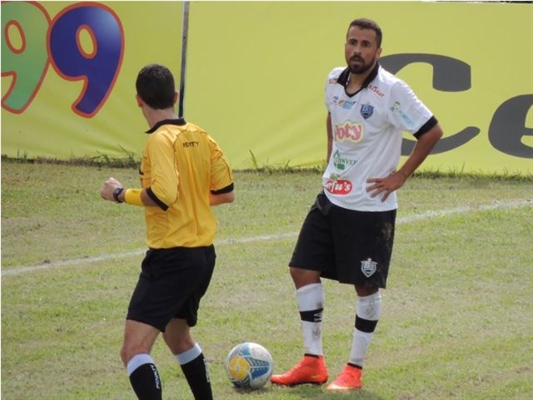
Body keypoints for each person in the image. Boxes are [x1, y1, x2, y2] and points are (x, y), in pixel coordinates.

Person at [270, 18, 443, 392]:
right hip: (331, 197)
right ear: (344, 45)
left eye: (366, 44)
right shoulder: (334, 80)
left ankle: (354, 369)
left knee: (365, 287)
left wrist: (400, 176)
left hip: (369, 207)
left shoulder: (392, 90)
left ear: (378, 51)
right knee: (302, 268)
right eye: (352, 42)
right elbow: (332, 118)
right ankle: (313, 361)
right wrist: (331, 160)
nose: (357, 50)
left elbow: (431, 131)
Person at [100, 63, 235, 400]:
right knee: (178, 338)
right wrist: (191, 200)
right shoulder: (200, 135)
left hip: (172, 258)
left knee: (133, 351)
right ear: (175, 96)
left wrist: (120, 194)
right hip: (203, 256)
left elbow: (162, 195)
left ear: (138, 101)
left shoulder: (159, 141)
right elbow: (226, 191)